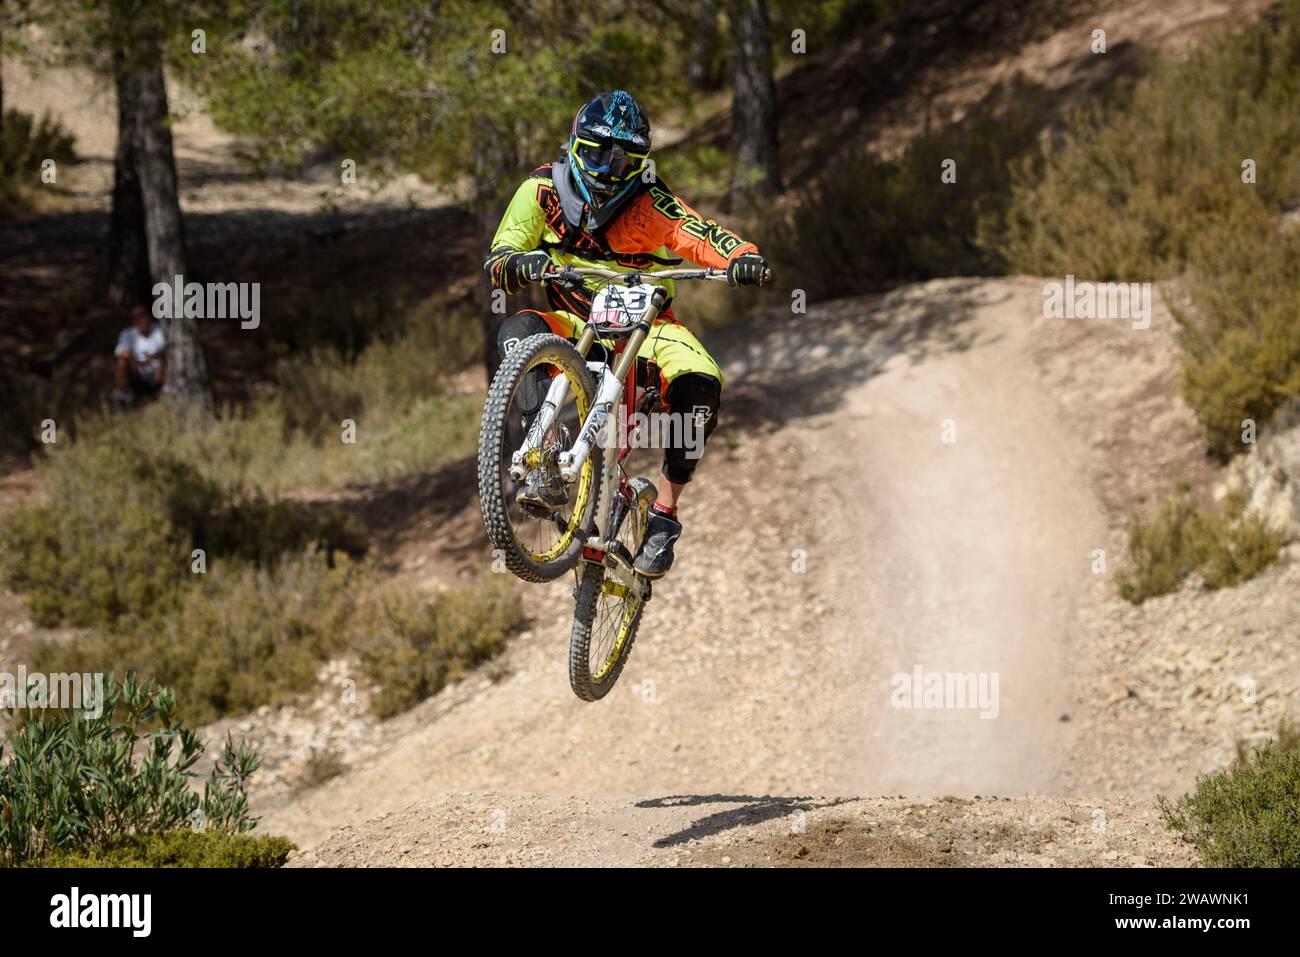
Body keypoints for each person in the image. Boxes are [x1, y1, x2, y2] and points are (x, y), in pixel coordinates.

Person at [485, 90, 770, 579]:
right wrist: (517, 263)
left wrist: (741, 258)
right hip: (576, 323)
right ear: (575, 144)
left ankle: (665, 516)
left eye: (623, 158)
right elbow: (502, 253)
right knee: (519, 330)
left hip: (650, 328)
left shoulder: (649, 203)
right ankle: (545, 453)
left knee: (701, 385)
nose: (609, 167)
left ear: (641, 162)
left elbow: (702, 235)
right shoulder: (541, 191)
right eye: (598, 152)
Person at [113, 305, 167, 409]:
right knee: (121, 362)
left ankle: (167, 391)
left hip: (157, 374)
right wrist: (138, 361)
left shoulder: (160, 331)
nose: (139, 320)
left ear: (148, 316)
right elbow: (121, 352)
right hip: (137, 374)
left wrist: (151, 358)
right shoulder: (127, 334)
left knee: (165, 358)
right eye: (135, 318)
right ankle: (122, 398)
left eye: (142, 316)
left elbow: (166, 351)